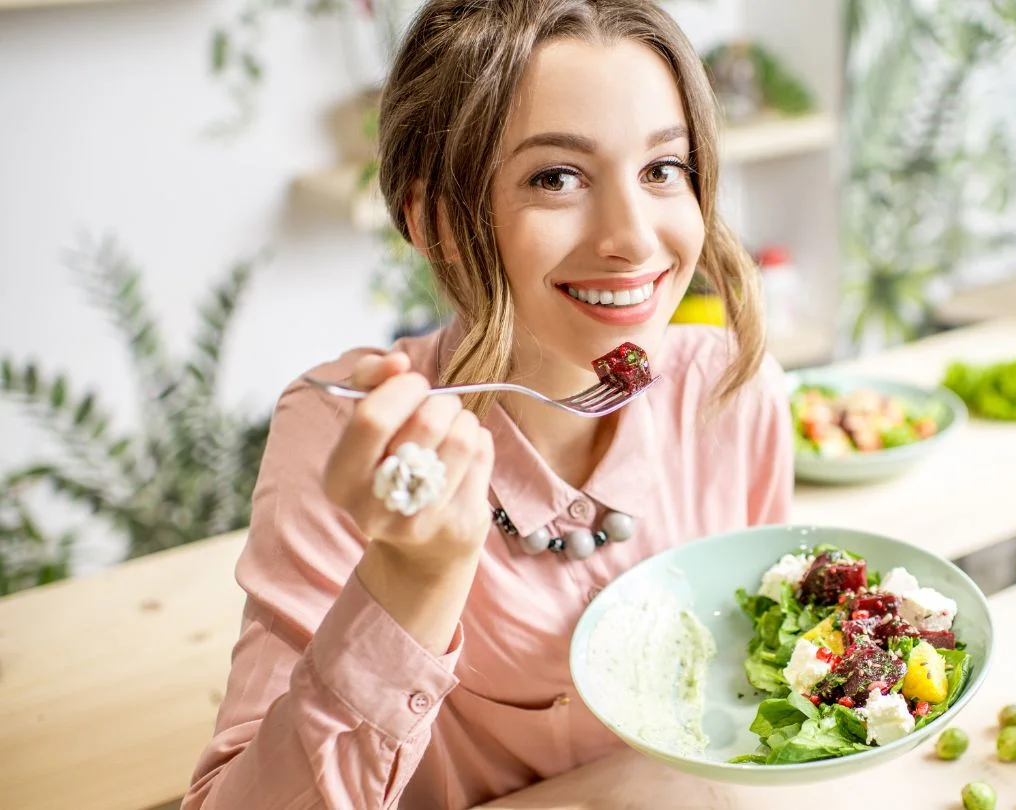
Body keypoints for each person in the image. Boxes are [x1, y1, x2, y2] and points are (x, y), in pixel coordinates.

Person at [182, 0, 794, 807]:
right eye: (557, 177)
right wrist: (413, 576)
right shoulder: (348, 436)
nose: (637, 239)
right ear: (433, 218)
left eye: (662, 170)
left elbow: (760, 680)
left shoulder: (729, 389)